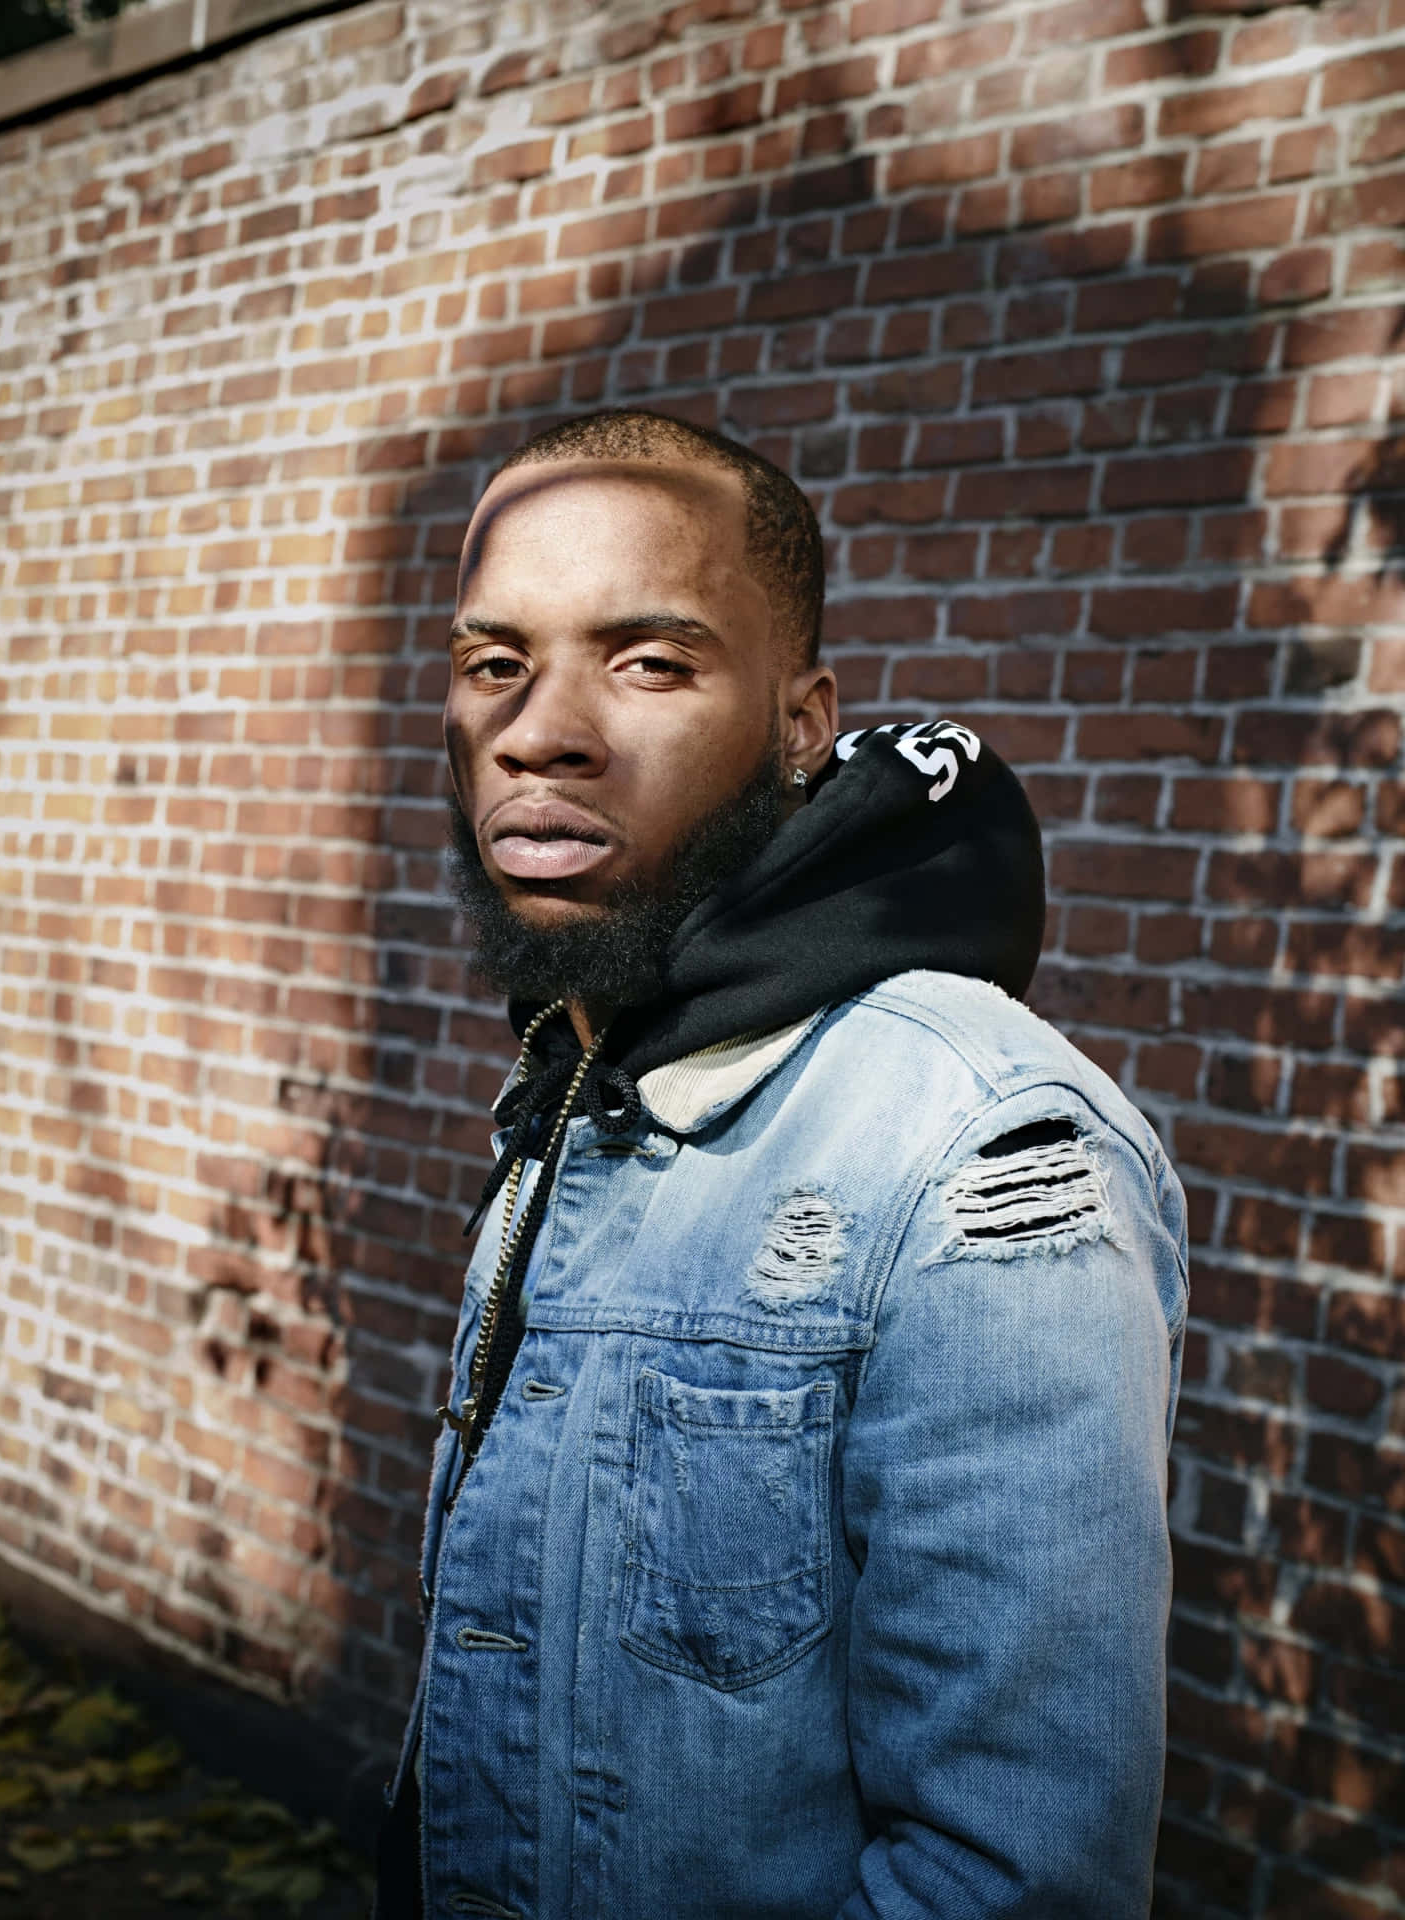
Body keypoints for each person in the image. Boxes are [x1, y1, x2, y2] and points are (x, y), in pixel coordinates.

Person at [372, 408, 1189, 1920]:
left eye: (649, 660)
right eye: (497, 661)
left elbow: (1013, 1879)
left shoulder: (971, 1149)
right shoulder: (588, 1063)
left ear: (804, 723)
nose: (539, 729)